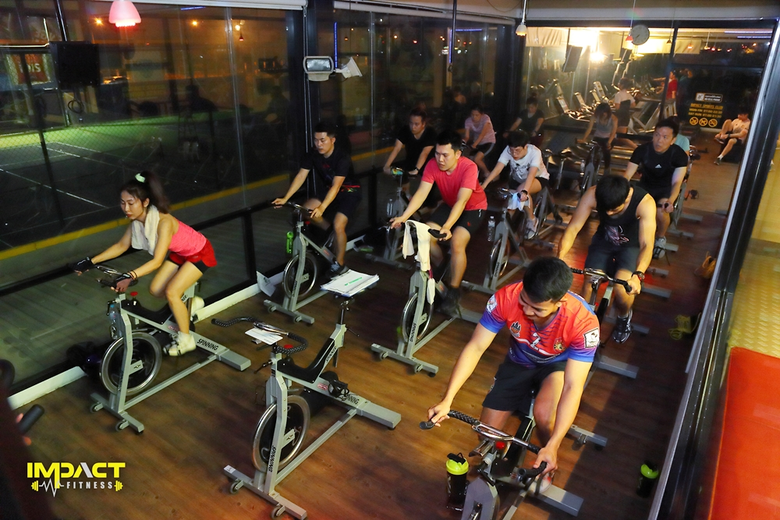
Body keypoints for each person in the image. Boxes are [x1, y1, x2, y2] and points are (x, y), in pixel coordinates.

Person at [427, 256, 600, 489]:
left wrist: (554, 444)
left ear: (559, 303)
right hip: (519, 360)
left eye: (537, 309)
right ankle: (502, 447)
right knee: (487, 432)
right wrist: (447, 399)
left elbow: (573, 386)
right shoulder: (506, 298)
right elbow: (475, 347)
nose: (527, 311)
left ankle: (548, 459)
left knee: (545, 417)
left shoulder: (583, 322)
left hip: (556, 366)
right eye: (524, 301)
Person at [70, 171, 217, 356]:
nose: (126, 208)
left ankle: (186, 339)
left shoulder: (163, 222)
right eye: (122, 203)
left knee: (172, 292)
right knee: (155, 290)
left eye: (131, 203)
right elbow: (121, 246)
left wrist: (129, 275)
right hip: (180, 254)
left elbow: (157, 261)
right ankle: (188, 305)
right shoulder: (137, 223)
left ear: (145, 202)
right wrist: (90, 261)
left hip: (200, 252)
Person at [390, 130, 488, 316]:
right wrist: (403, 217)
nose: (440, 159)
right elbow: (421, 193)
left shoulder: (469, 167)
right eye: (437, 154)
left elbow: (462, 201)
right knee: (425, 237)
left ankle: (454, 290)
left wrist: (447, 227)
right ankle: (444, 266)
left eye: (445, 155)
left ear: (457, 154)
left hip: (473, 207)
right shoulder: (432, 165)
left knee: (457, 242)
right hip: (449, 205)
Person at [557, 175, 655, 343]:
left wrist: (638, 275)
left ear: (626, 199)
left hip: (630, 247)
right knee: (589, 283)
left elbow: (647, 244)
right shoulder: (593, 194)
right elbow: (573, 228)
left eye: (614, 210)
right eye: (605, 209)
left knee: (622, 290)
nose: (608, 213)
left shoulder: (644, 202)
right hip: (604, 241)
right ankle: (581, 325)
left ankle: (624, 316)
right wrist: (559, 258)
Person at [273, 121, 361, 275]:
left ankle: (339, 264)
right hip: (329, 190)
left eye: (322, 140)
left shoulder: (342, 158)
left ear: (332, 140)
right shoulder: (313, 154)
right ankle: (329, 231)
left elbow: (336, 186)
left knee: (339, 225)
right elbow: (301, 176)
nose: (318, 144)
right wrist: (286, 198)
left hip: (349, 192)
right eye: (315, 140)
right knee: (304, 211)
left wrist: (322, 207)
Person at [622, 118, 688, 259]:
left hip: (665, 189)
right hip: (645, 186)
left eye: (665, 137)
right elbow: (627, 175)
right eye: (657, 135)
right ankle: (630, 236)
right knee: (628, 206)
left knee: (661, 211)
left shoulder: (679, 155)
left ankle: (660, 237)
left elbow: (677, 182)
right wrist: (620, 191)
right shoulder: (642, 150)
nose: (659, 140)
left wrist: (671, 200)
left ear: (673, 140)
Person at [482, 130, 550, 239]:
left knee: (520, 191)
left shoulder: (534, 152)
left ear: (525, 146)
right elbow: (497, 169)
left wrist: (524, 191)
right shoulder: (508, 150)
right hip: (516, 179)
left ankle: (532, 220)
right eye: (512, 150)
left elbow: (531, 174)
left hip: (538, 178)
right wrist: (484, 185)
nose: (514, 154)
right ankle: (506, 236)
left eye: (517, 150)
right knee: (509, 209)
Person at [382, 107, 437, 192]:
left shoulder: (430, 133)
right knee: (401, 176)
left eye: (416, 124)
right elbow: (397, 148)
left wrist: (416, 170)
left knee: (428, 192)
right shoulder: (405, 130)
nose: (413, 127)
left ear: (423, 124)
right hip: (410, 162)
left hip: (428, 166)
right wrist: (387, 166)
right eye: (411, 123)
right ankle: (406, 194)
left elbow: (424, 153)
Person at [579, 102, 618, 174]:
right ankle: (586, 169)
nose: (604, 115)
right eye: (602, 113)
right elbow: (589, 128)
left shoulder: (613, 119)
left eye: (605, 113)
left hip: (609, 137)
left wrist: (609, 142)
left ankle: (607, 168)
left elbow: (613, 132)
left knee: (606, 150)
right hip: (598, 136)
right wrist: (583, 139)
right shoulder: (595, 116)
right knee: (592, 151)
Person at [463, 104, 496, 178]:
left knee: (477, 159)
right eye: (472, 115)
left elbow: (482, 134)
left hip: (488, 142)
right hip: (477, 143)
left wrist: (474, 145)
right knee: (470, 159)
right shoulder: (468, 121)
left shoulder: (486, 119)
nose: (474, 117)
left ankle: (487, 173)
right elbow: (467, 136)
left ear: (482, 114)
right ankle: (474, 176)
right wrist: (464, 141)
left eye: (477, 115)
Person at [612, 78, 637, 150]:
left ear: (622, 85)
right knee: (619, 136)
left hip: (620, 117)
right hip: (626, 116)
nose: (618, 84)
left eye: (619, 83)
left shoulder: (618, 94)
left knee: (621, 137)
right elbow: (633, 105)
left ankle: (637, 148)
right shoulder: (628, 95)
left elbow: (617, 107)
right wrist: (626, 106)